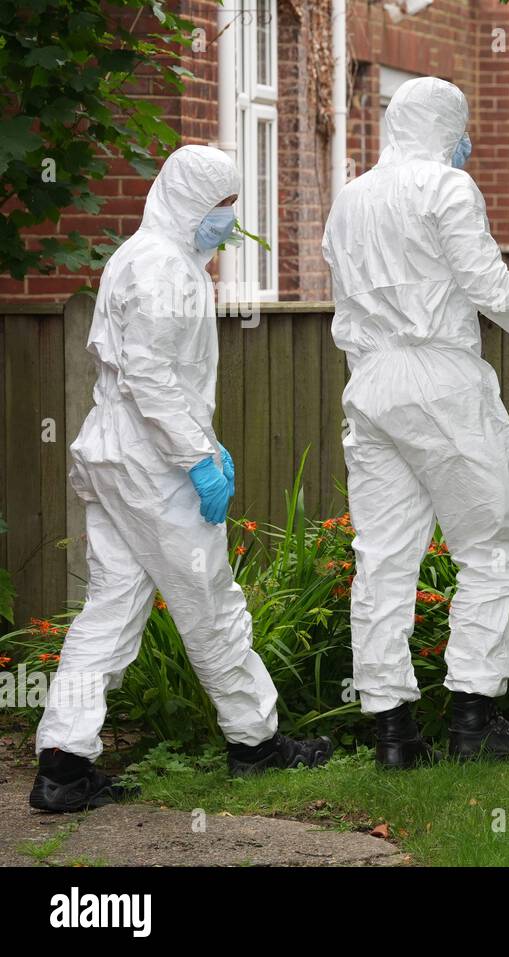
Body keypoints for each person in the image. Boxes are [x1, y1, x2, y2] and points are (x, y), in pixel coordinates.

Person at [32, 145, 334, 813]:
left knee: (109, 609)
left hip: (123, 453)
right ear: (192, 202)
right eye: (221, 208)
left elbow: (158, 378)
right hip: (150, 464)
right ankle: (256, 742)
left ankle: (63, 764)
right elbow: (149, 377)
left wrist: (205, 440)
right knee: (211, 600)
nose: (226, 221)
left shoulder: (146, 257)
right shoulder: (162, 267)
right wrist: (196, 456)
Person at [322, 77, 509, 767]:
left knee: (382, 557)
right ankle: (474, 719)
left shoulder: (351, 196)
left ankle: (394, 735)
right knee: (490, 544)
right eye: (464, 127)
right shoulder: (447, 187)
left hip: (371, 381)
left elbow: (342, 289)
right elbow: (487, 282)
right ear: (446, 126)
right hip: (440, 379)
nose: (470, 143)